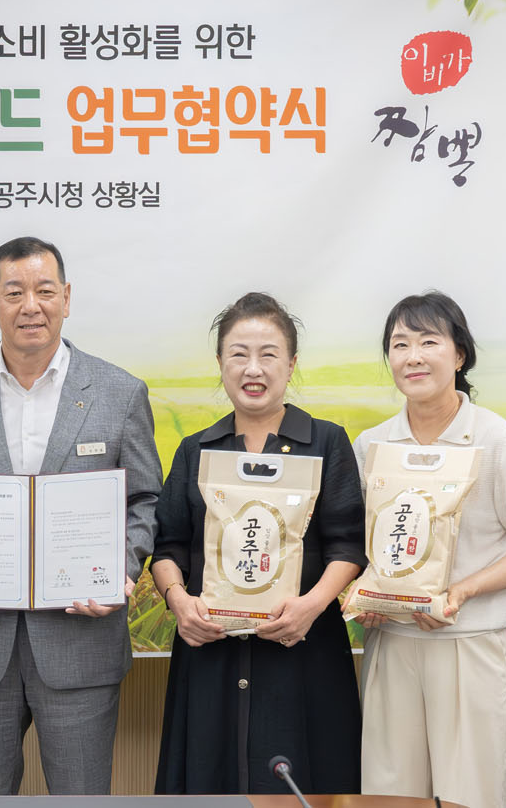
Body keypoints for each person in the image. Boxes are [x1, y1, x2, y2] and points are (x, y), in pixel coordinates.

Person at [0, 236, 161, 795]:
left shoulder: (120, 392)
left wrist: (121, 570)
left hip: (81, 640)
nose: (31, 306)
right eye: (14, 293)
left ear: (67, 298)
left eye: (45, 291)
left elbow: (144, 499)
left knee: (81, 799)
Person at [152, 292, 366, 794]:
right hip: (210, 653)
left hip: (302, 650)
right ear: (220, 363)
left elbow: (348, 545)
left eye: (268, 354)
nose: (253, 368)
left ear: (291, 365)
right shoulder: (196, 450)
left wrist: (311, 606)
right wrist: (179, 602)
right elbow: (168, 546)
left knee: (305, 782)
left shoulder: (326, 442)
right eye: (239, 354)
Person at [350, 292, 506, 808]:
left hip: (469, 644)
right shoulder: (372, 445)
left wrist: (462, 591)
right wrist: (365, 597)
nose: (412, 356)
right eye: (400, 344)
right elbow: (361, 547)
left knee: (470, 796)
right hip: (390, 643)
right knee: (389, 796)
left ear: (459, 354)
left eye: (428, 342)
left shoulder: (497, 440)